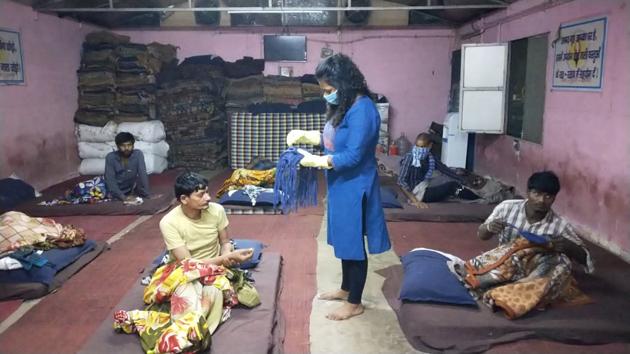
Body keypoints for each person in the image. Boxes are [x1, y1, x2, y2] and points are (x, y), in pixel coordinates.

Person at [286, 53, 391, 321]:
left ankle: (355, 302)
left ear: (344, 84)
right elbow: (335, 137)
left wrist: (320, 161)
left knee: (354, 243)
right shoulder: (343, 106)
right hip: (341, 184)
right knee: (345, 239)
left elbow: (354, 155)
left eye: (329, 90)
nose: (326, 96)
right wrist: (311, 136)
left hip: (356, 185)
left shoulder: (363, 110)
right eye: (324, 90)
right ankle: (346, 289)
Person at [458, 171, 594, 318]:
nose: (541, 200)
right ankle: (491, 284)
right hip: (504, 262)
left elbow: (586, 259)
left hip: (534, 269)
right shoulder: (507, 208)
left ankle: (506, 296)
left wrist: (566, 246)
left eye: (548, 196)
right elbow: (482, 235)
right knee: (515, 248)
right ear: (528, 192)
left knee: (561, 263)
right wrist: (490, 228)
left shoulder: (559, 226)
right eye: (537, 194)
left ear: (554, 198)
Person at [159, 171, 253, 266]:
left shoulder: (217, 210)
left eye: (207, 192)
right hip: (187, 269)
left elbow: (225, 242)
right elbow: (187, 264)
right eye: (201, 195)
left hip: (216, 262)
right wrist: (225, 258)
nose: (208, 198)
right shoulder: (169, 222)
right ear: (184, 199)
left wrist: (227, 255)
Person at [104, 132, 151, 202]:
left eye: (129, 145)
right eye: (123, 146)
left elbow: (143, 174)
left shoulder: (138, 155)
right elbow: (110, 181)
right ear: (117, 146)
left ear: (133, 145)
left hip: (129, 190)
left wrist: (147, 194)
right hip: (113, 192)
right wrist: (123, 197)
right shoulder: (110, 157)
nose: (126, 148)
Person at [397, 132, 436, 208]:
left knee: (450, 183)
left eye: (422, 147)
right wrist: (416, 201)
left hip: (424, 186)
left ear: (430, 146)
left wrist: (461, 180)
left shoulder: (430, 157)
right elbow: (401, 181)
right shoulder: (410, 157)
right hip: (414, 192)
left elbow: (444, 169)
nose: (419, 150)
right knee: (452, 187)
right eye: (417, 146)